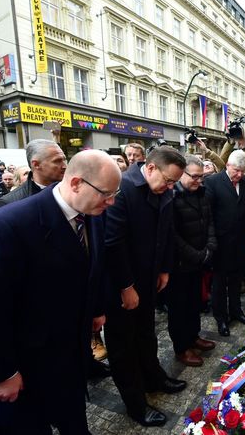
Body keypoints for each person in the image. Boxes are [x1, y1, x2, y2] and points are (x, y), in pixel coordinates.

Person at [0, 150, 121, 434]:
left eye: (115, 193)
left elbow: (92, 268)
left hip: (70, 357)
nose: (111, 202)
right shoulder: (6, 225)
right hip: (26, 365)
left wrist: (95, 309)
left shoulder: (92, 213)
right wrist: (1, 374)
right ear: (76, 183)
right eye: (106, 193)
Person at [104, 146, 187, 427]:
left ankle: (154, 378)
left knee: (146, 333)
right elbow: (113, 243)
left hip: (150, 275)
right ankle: (135, 402)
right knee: (123, 345)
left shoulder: (163, 189)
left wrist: (164, 268)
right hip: (122, 281)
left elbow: (166, 230)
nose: (170, 187)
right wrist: (126, 286)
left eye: (174, 183)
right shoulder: (123, 188)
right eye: (168, 180)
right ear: (150, 168)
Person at [168, 155, 217, 367]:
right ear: (182, 174)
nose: (198, 181)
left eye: (202, 177)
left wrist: (210, 247)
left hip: (200, 260)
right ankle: (181, 347)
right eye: (194, 177)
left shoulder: (202, 193)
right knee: (179, 307)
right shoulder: (171, 196)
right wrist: (196, 254)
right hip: (180, 264)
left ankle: (193, 336)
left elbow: (210, 223)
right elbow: (172, 235)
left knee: (194, 303)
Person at [204, 150, 245, 337]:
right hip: (220, 242)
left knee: (237, 279)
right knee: (219, 282)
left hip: (241, 242)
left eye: (243, 171)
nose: (240, 175)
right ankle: (221, 318)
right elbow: (208, 215)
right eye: (236, 171)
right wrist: (210, 242)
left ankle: (236, 311)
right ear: (227, 166)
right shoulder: (212, 182)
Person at [0, 139, 67, 207]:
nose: (65, 166)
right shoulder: (11, 202)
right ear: (36, 164)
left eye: (64, 160)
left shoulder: (73, 190)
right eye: (57, 161)